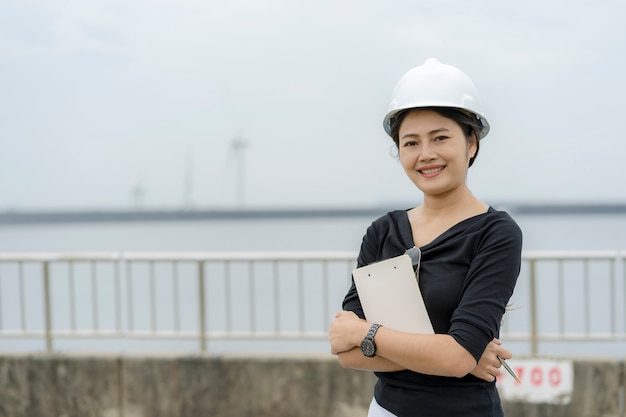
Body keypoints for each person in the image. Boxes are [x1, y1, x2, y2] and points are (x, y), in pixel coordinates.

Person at [328, 58, 523, 417]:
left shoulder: (495, 234)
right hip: (386, 410)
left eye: (440, 137)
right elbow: (345, 350)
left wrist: (368, 333)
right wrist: (451, 355)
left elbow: (455, 358)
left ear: (472, 143)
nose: (426, 154)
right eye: (411, 142)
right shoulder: (382, 232)